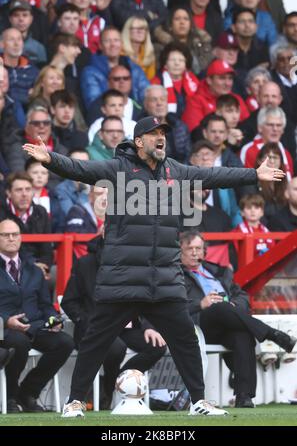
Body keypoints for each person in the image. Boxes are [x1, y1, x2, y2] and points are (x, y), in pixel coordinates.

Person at [23, 115, 285, 417]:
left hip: (163, 279)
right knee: (96, 341)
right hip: (122, 279)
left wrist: (253, 173)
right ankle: (75, 402)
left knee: (185, 339)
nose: (161, 137)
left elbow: (215, 175)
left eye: (163, 132)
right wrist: (50, 159)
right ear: (138, 141)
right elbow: (81, 169)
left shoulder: (176, 170)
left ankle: (198, 401)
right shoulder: (118, 168)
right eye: (153, 133)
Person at [181, 230, 296, 408]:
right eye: (190, 248)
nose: (195, 252)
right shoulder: (176, 276)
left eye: (199, 248)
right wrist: (200, 303)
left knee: (241, 333)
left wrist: (235, 306)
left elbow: (241, 296)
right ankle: (273, 335)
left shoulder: (218, 272)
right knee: (219, 306)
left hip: (227, 321)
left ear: (205, 251)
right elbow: (173, 307)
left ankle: (244, 396)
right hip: (200, 326)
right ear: (180, 251)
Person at [62, 236, 167, 409]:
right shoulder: (85, 264)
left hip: (126, 326)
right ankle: (108, 391)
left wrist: (149, 326)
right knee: (116, 348)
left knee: (157, 346)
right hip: (95, 327)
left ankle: (114, 381)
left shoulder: (134, 262)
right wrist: (86, 321)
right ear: (104, 232)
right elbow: (69, 302)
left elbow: (144, 299)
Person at [0, 218, 74, 413]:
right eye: (5, 235)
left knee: (65, 343)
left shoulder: (34, 270)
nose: (10, 238)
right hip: (5, 329)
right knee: (19, 342)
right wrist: (7, 321)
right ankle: (9, 397)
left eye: (14, 234)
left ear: (20, 238)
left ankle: (28, 392)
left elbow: (45, 305)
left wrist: (54, 319)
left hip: (35, 327)